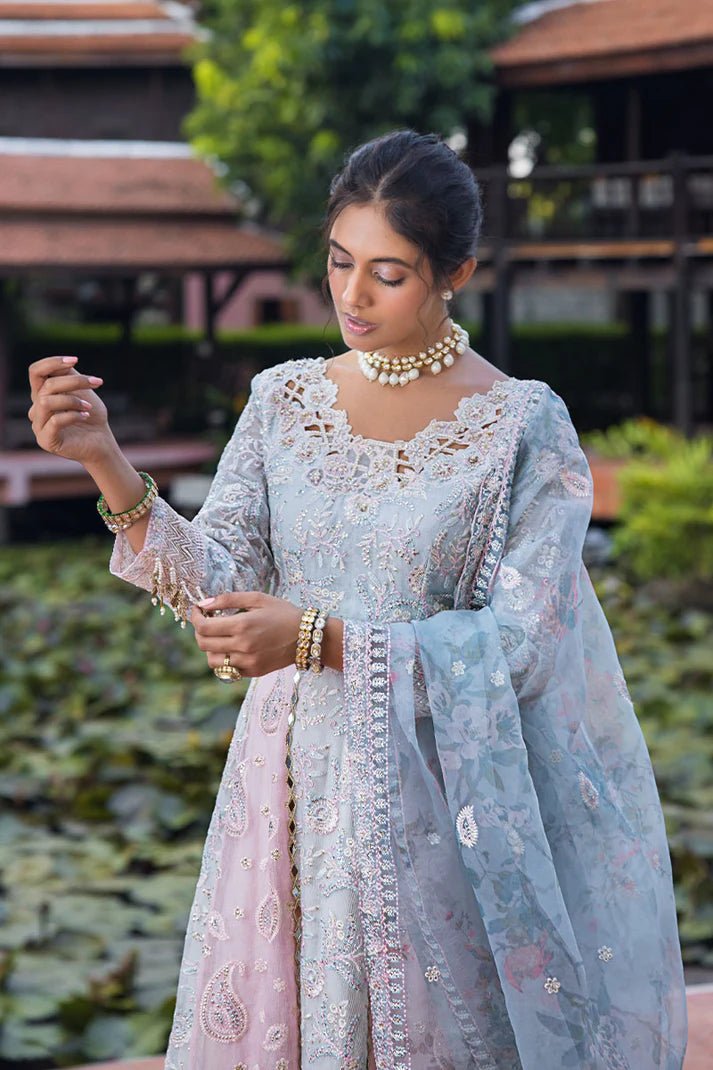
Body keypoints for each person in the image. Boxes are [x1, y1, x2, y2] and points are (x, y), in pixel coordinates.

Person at [27, 130, 687, 1070]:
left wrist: (320, 638)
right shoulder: (282, 401)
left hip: (443, 798)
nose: (351, 295)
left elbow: (523, 646)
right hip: (290, 785)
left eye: (389, 273)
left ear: (454, 271)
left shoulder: (519, 427)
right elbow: (214, 583)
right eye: (340, 262)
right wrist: (103, 458)